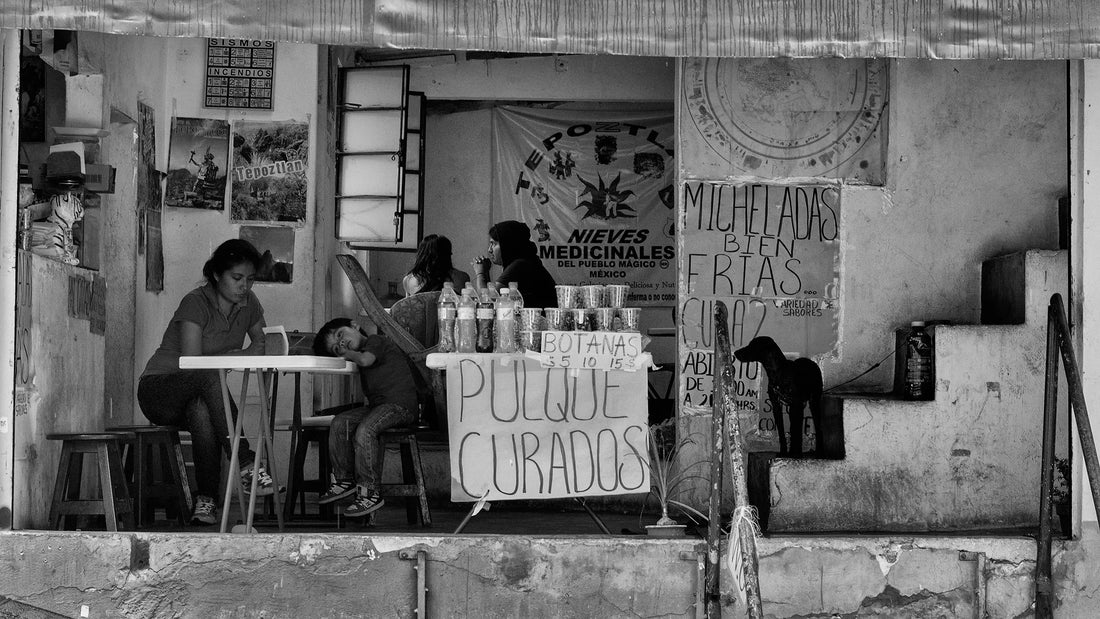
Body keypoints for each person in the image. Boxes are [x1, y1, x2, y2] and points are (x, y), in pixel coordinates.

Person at [137, 239, 277, 526]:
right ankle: (247, 463)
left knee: (202, 412)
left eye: (250, 280)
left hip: (199, 394)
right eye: (237, 278)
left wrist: (263, 352)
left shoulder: (249, 304)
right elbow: (193, 361)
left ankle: (207, 501)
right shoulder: (195, 302)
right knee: (210, 375)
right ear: (216, 275)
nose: (244, 286)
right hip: (160, 391)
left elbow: (262, 343)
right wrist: (240, 354)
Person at [313, 318, 420, 518]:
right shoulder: (358, 353)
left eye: (340, 335)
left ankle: (369, 492)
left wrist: (345, 354)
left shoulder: (375, 341)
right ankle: (344, 480)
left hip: (401, 406)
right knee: (340, 423)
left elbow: (366, 360)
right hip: (379, 407)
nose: (342, 344)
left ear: (354, 325)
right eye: (336, 348)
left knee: (366, 429)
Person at [472, 220, 558, 308]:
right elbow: (494, 298)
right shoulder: (525, 260)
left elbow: (487, 301)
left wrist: (480, 273)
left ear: (507, 245)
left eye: (494, 244)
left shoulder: (520, 264)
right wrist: (485, 272)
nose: (489, 250)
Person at [401, 234, 470, 296]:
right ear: (448, 255)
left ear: (421, 255)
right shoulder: (460, 277)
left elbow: (408, 307)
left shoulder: (409, 279)